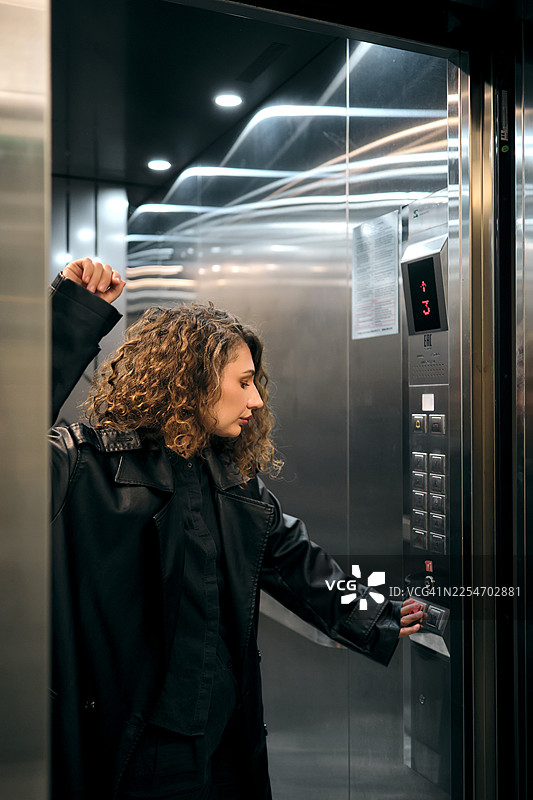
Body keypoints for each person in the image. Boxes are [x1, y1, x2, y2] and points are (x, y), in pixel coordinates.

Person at [50, 258, 424, 800]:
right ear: (191, 380)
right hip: (134, 748)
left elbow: (300, 564)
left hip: (223, 737)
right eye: (244, 382)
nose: (256, 399)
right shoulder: (85, 466)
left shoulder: (231, 480)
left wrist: (381, 614)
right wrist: (73, 317)